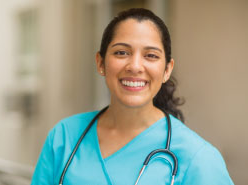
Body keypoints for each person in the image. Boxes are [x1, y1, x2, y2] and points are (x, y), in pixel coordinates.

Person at [31, 8, 234, 185]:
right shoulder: (64, 138)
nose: (135, 66)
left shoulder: (198, 158)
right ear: (100, 63)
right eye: (121, 53)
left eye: (151, 55)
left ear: (166, 70)